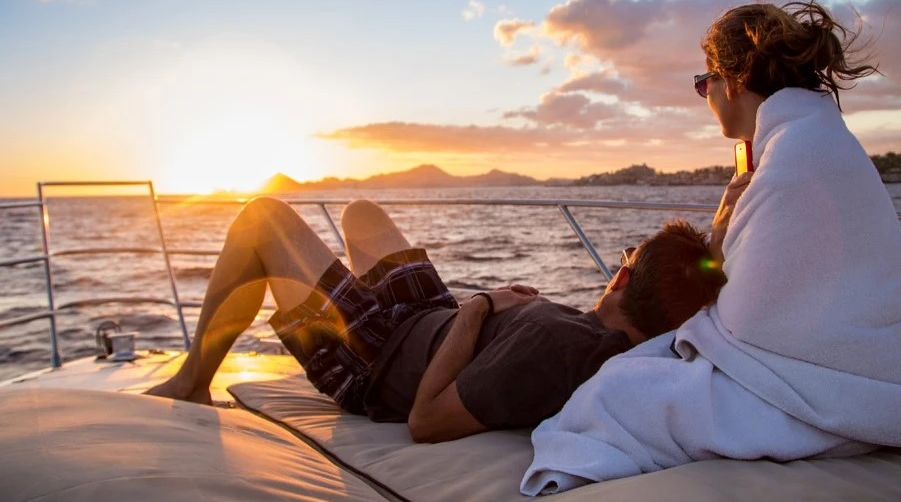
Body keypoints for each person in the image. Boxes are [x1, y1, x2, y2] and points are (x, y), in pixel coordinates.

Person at [520, 0, 901, 495]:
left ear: (730, 80)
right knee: (641, 367)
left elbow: (749, 325)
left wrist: (693, 321)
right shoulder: (821, 140)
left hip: (847, 387)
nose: (705, 96)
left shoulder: (789, 158)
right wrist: (721, 235)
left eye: (703, 84)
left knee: (613, 393)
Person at [146, 197, 726, 442]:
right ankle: (346, 287)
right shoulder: (617, 345)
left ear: (623, 278)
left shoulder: (556, 346)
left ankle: (193, 382)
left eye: (626, 257)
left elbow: (426, 419)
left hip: (379, 353)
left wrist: (480, 307)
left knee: (261, 219)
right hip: (431, 317)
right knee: (360, 212)